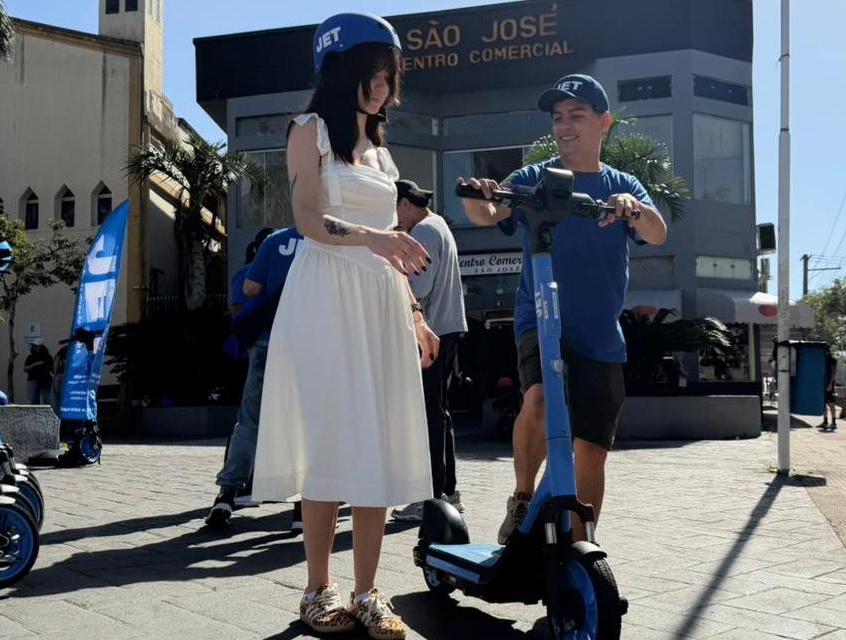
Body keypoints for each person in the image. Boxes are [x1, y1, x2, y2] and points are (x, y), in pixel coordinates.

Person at [252, 14, 435, 639]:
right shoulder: (308, 133)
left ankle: (367, 592)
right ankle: (317, 589)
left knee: (377, 444)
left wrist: (414, 313)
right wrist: (376, 239)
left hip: (379, 302)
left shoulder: (381, 152)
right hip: (325, 294)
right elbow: (307, 219)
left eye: (389, 74)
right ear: (339, 69)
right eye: (370, 72)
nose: (381, 86)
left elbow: (389, 251)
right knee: (329, 440)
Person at [459, 73, 669, 545]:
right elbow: (489, 213)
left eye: (577, 115)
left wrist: (632, 207)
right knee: (537, 399)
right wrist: (480, 199)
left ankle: (580, 545)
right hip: (541, 319)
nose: (564, 126)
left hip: (599, 334)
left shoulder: (623, 185)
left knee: (590, 451)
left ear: (603, 124)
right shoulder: (535, 178)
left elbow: (657, 232)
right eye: (558, 117)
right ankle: (521, 497)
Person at [205, 225, 303, 531]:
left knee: (250, 421)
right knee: (305, 425)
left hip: (266, 340)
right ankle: (304, 507)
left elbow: (249, 288)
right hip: (308, 342)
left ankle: (227, 494)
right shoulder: (327, 237)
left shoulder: (275, 241)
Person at [390, 180, 467, 524]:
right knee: (438, 412)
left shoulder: (423, 232)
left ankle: (430, 497)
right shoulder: (440, 226)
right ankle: (446, 491)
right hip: (447, 328)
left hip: (432, 332)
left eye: (395, 210)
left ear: (405, 204)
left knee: (428, 415)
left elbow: (417, 286)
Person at [23, 341, 54, 405]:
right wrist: (36, 364)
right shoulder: (30, 357)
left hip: (46, 380)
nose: (36, 347)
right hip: (33, 380)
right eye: (34, 346)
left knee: (47, 400)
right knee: (33, 400)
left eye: (37, 346)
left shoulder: (48, 357)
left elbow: (53, 369)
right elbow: (25, 368)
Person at [822, 352, 838, 429]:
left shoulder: (832, 360)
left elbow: (834, 372)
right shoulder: (823, 359)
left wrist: (830, 383)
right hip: (823, 384)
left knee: (830, 402)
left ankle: (834, 422)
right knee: (824, 403)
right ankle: (825, 421)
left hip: (829, 383)